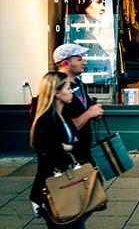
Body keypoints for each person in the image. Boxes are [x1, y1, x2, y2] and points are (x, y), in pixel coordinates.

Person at [29, 71, 88, 228]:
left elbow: (79, 146)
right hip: (53, 189)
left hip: (68, 185)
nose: (71, 92)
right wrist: (68, 147)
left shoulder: (64, 117)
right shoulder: (45, 121)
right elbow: (49, 153)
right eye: (68, 88)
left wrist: (67, 146)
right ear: (56, 92)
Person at [54, 43, 104, 163]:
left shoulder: (79, 84)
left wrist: (95, 111)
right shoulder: (58, 91)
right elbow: (62, 127)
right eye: (79, 59)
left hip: (84, 149)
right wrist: (89, 114)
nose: (84, 62)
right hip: (68, 157)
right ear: (66, 63)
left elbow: (85, 107)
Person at [68, 0, 112, 84]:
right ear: (81, 1)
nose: (103, 8)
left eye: (103, 3)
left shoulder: (86, 33)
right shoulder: (76, 34)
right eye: (98, 2)